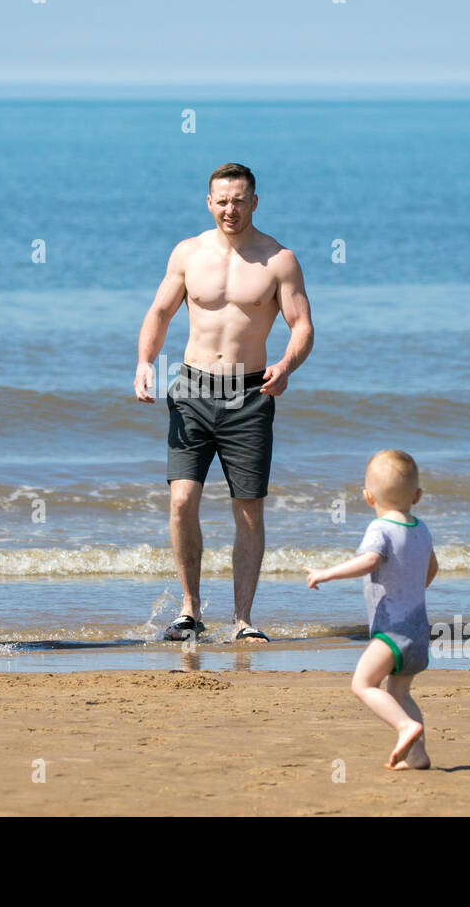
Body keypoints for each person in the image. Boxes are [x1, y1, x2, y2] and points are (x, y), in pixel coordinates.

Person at [134, 163, 314, 643]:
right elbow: (159, 311)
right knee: (181, 499)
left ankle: (242, 620)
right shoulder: (188, 253)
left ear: (255, 201)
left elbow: (302, 326)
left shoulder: (279, 260)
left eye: (239, 199)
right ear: (208, 202)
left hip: (250, 392)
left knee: (248, 509)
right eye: (222, 200)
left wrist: (287, 364)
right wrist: (145, 363)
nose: (230, 209)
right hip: (192, 387)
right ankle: (190, 610)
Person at [304, 450, 439, 770]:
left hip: (392, 631)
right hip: (419, 632)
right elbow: (432, 568)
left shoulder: (380, 529)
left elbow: (370, 561)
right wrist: (414, 590)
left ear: (367, 496)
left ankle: (405, 727)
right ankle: (417, 756)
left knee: (362, 684)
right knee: (401, 693)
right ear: (417, 495)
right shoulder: (422, 529)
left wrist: (327, 573)